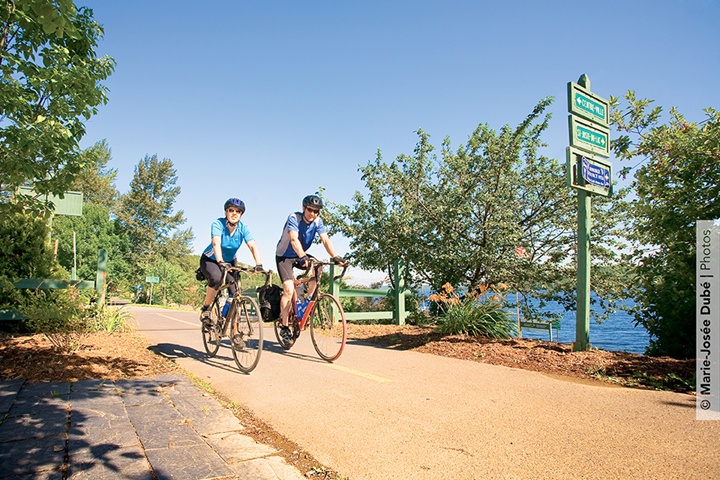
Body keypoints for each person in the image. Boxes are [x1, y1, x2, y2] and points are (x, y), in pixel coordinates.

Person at [275, 194, 345, 343]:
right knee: (288, 289)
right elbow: (294, 239)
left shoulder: (318, 221)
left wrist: (335, 256)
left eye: (316, 211)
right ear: (303, 208)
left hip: (302, 254)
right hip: (285, 256)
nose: (312, 214)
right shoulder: (294, 217)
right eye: (310, 210)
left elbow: (325, 239)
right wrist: (302, 256)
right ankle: (285, 326)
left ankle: (305, 302)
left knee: (318, 268)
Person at [199, 198, 263, 328]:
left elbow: (252, 245)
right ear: (225, 212)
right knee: (217, 279)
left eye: (238, 211)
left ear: (241, 214)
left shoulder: (243, 228)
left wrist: (259, 263)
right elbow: (216, 243)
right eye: (231, 210)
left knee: (235, 293)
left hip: (230, 261)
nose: (234, 213)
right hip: (211, 260)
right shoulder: (218, 224)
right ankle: (206, 309)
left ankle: (234, 331)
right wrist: (220, 261)